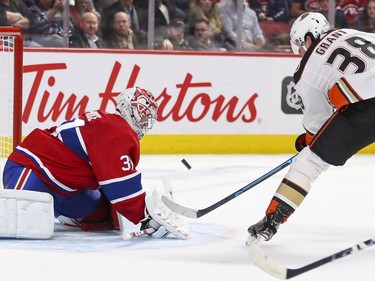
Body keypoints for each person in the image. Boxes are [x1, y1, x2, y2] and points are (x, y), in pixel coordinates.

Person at [247, 12, 375, 244]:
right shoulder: (353, 32)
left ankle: (270, 222)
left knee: (309, 163)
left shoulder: (307, 68)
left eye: (300, 46)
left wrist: (308, 141)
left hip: (368, 104)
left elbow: (318, 124)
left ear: (307, 39)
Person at [1, 87, 189, 239]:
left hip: (68, 187)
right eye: (141, 112)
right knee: (14, 218)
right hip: (33, 168)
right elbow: (118, 183)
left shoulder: (112, 126)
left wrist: (141, 212)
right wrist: (144, 215)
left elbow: (113, 174)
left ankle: (60, 211)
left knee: (103, 215)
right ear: (126, 107)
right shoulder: (115, 130)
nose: (144, 120)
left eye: (148, 117)